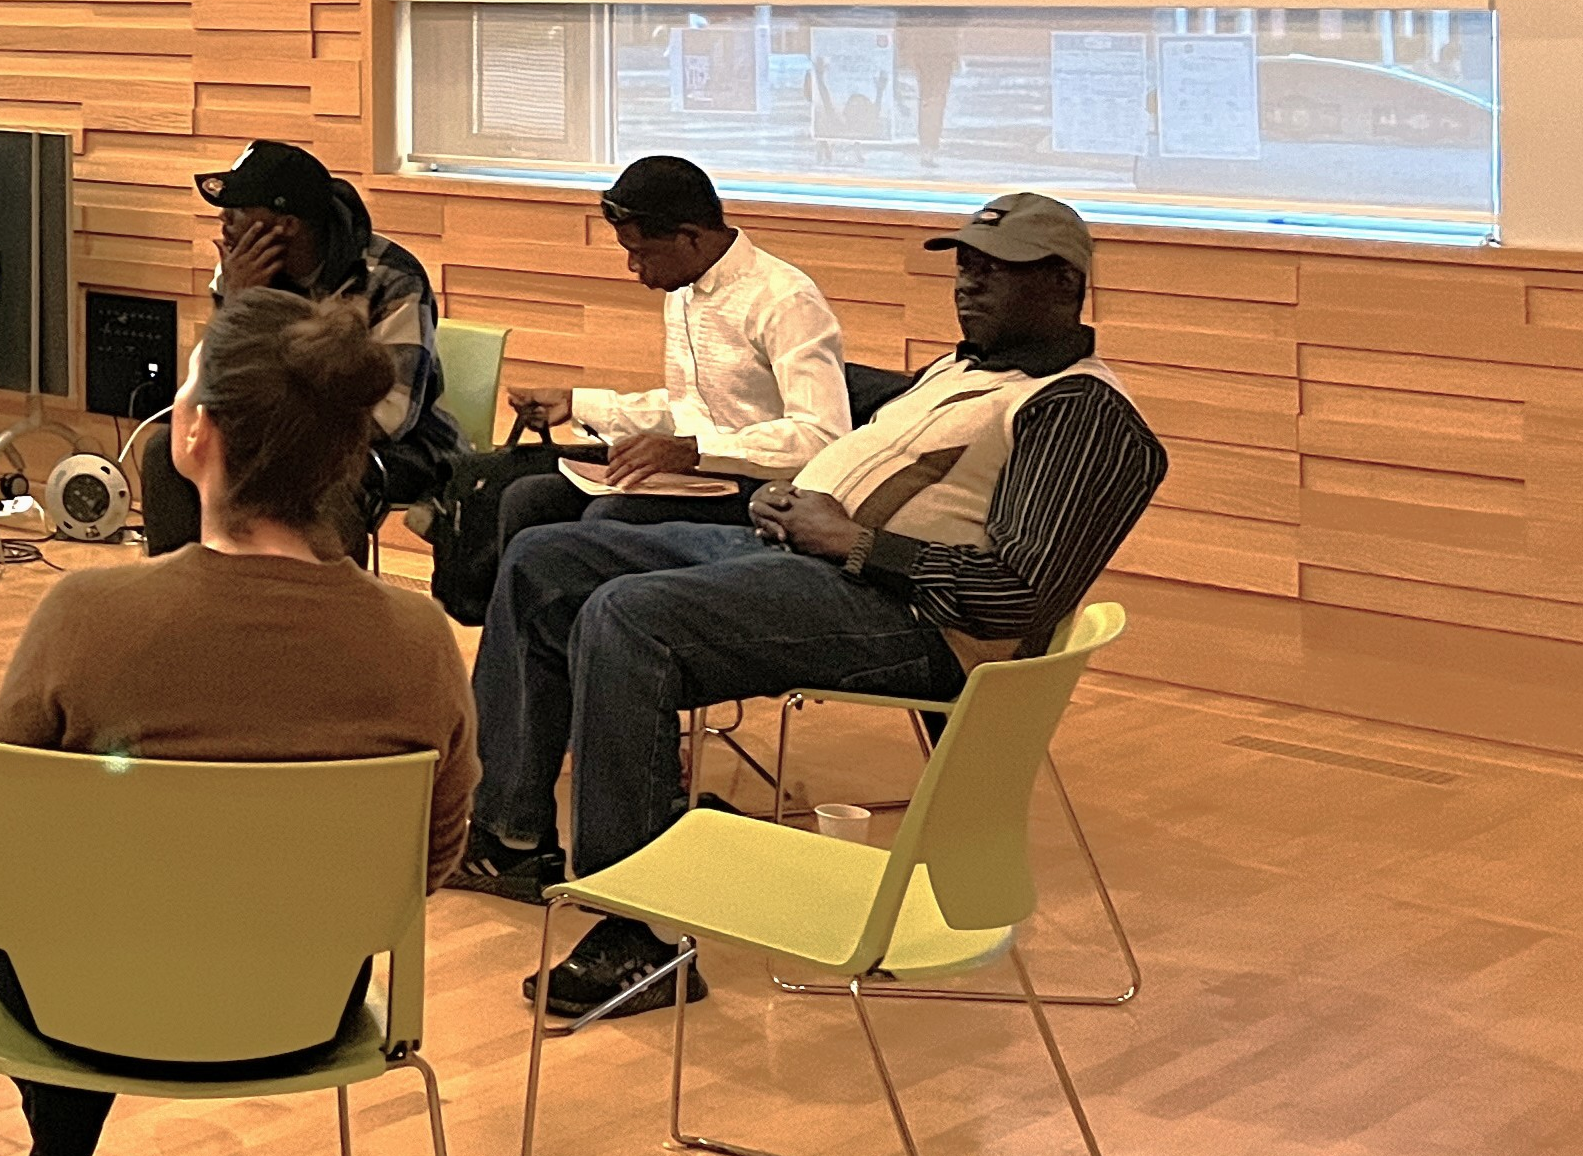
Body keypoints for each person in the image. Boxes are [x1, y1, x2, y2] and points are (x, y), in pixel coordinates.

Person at [459, 193, 1168, 1022]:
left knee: (627, 616)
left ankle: (635, 933)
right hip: (804, 558)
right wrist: (791, 497)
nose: (965, 287)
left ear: (1061, 282)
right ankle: (510, 837)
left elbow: (1020, 592)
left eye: (992, 271)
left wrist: (854, 543)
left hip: (911, 622)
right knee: (547, 557)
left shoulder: (1082, 413)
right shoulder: (965, 368)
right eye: (963, 267)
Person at [0, 287, 478, 1156]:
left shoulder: (87, 615)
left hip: (76, 1010)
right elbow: (425, 869)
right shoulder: (418, 642)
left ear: (193, 434)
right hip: (301, 1011)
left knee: (44, 916)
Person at [481, 156, 849, 553]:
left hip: (764, 490)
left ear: (690, 237)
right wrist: (578, 403)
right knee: (525, 499)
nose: (632, 266)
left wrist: (693, 451)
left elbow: (822, 437)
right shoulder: (684, 291)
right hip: (699, 475)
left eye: (641, 252)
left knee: (607, 521)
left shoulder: (785, 299)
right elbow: (693, 408)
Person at [131, 139, 451, 562]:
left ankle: (324, 613)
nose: (224, 220)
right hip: (270, 431)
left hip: (374, 444)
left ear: (286, 225)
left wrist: (286, 437)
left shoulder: (392, 278)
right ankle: (188, 592)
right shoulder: (243, 269)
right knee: (165, 452)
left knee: (325, 486)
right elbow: (216, 384)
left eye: (240, 209)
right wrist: (238, 302)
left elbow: (390, 414)